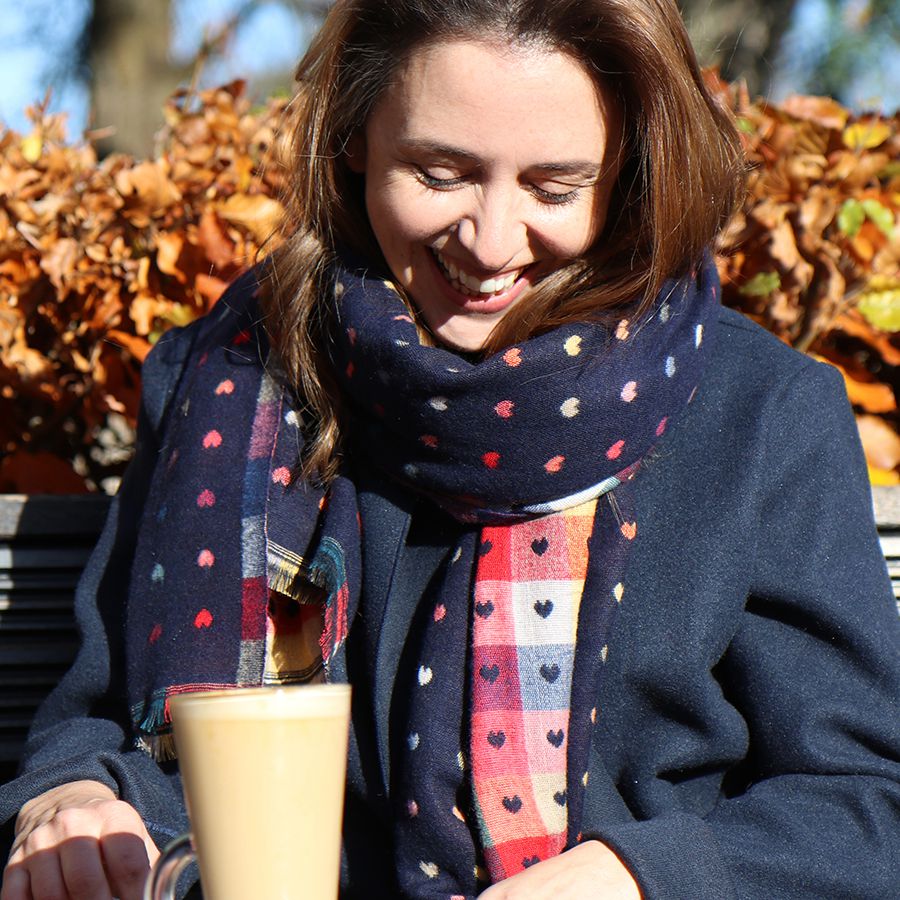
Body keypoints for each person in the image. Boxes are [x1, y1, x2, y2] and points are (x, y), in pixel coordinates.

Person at [2, 0, 899, 897]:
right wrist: (71, 804)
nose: (491, 242)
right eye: (439, 173)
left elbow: (867, 806)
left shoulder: (760, 416)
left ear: (628, 172)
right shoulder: (229, 381)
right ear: (353, 136)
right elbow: (96, 727)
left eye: (554, 188)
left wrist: (633, 876)